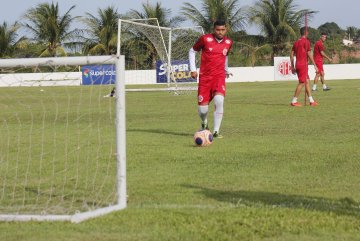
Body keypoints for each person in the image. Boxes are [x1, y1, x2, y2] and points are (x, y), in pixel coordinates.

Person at [189, 19, 233, 138]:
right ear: (214, 30)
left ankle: (216, 131)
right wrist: (193, 69)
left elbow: (225, 56)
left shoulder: (229, 42)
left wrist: (226, 69)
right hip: (205, 78)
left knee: (219, 101)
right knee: (203, 110)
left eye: (222, 30)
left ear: (226, 29)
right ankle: (204, 123)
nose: (220, 32)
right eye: (218, 30)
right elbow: (192, 51)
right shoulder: (205, 39)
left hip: (219, 77)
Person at [290, 27, 318, 107]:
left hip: (298, 64)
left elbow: (291, 54)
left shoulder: (296, 42)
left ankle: (311, 101)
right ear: (305, 32)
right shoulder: (306, 42)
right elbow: (309, 54)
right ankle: (294, 101)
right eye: (307, 32)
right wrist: (315, 65)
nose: (308, 33)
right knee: (302, 83)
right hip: (303, 65)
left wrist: (292, 66)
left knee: (307, 82)